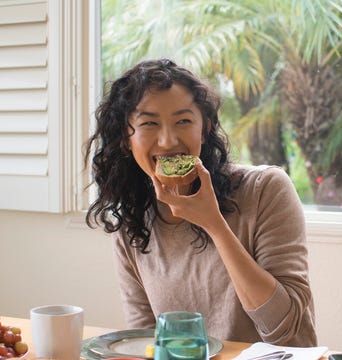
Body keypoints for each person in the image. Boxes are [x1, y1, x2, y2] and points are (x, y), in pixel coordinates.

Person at [85, 58, 317, 346]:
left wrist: (214, 224)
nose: (168, 141)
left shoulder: (265, 189)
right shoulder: (132, 224)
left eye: (183, 121)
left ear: (205, 128)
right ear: (125, 137)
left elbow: (283, 329)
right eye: (149, 124)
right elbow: (146, 341)